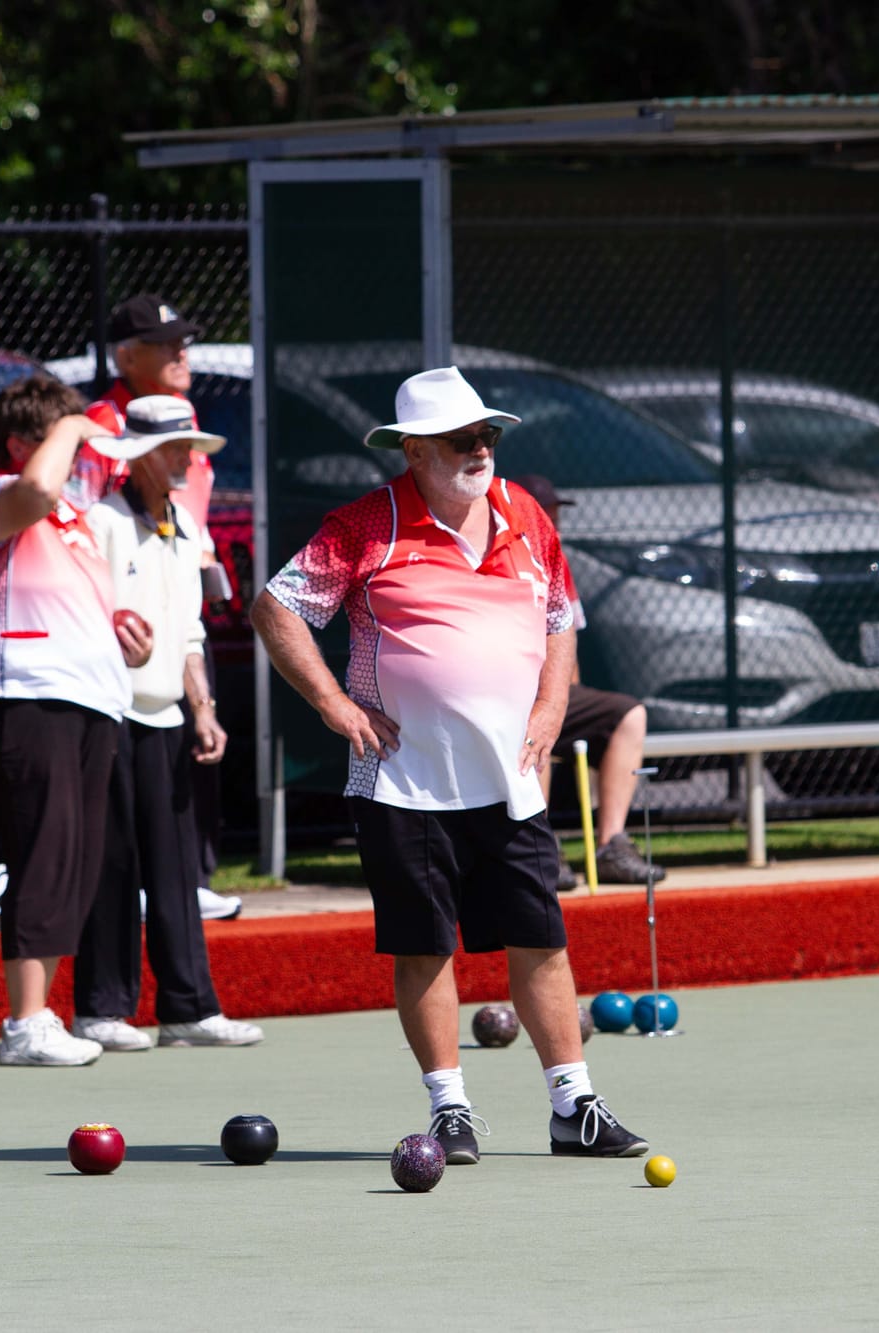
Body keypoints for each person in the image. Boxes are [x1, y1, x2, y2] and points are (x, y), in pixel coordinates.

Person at [250, 366, 649, 1164]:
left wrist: (551, 705)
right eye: (461, 438)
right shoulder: (366, 525)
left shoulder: (525, 513)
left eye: (486, 434)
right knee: (423, 947)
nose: (480, 448)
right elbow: (277, 606)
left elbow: (560, 615)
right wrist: (333, 703)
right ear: (415, 450)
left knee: (541, 939)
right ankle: (451, 1109)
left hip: (511, 780)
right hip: (404, 778)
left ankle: (574, 1105)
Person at [0, 372, 152, 1066]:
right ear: (21, 443)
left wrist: (125, 633)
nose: (76, 458)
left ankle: (45, 1015)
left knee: (75, 859)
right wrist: (74, 423)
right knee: (43, 852)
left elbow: (84, 605)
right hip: (24, 693)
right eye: (61, 441)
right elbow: (36, 488)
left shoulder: (74, 521)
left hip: (91, 698)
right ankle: (25, 1022)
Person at [71, 396, 263, 1051]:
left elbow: (189, 632)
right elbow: (80, 612)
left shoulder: (184, 524)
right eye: (175, 447)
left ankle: (188, 1009)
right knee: (113, 862)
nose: (187, 458)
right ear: (141, 455)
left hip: (168, 715)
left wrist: (203, 709)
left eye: (189, 447)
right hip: (108, 711)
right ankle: (100, 1011)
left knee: (177, 866)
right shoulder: (102, 521)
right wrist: (109, 636)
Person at [86, 291, 239, 922]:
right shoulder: (103, 423)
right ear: (127, 356)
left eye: (183, 341)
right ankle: (143, 890)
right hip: (123, 618)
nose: (182, 352)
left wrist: (195, 557)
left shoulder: (182, 416)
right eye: (165, 344)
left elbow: (185, 505)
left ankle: (187, 881)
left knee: (194, 733)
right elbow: (93, 519)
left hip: (178, 584)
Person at [510, 473, 665, 889]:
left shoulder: (557, 559)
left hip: (555, 692)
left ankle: (611, 845)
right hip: (511, 696)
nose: (555, 525)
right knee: (533, 722)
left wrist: (564, 700)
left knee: (629, 714)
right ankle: (539, 850)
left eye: (555, 515)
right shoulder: (499, 558)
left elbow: (566, 643)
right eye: (545, 516)